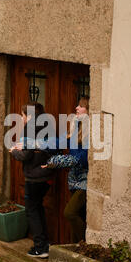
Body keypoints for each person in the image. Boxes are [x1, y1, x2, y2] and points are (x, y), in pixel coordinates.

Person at [9, 102, 54, 258]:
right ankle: (45, 244)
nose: (21, 119)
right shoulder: (48, 125)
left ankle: (40, 248)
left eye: (22, 115)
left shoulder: (29, 128)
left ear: (28, 116)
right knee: (38, 208)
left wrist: (14, 151)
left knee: (32, 211)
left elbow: (26, 155)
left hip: (34, 178)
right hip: (46, 176)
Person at [42, 97, 90, 243]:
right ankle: (77, 248)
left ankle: (86, 244)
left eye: (81, 106)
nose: (76, 108)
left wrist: (53, 161)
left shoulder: (91, 135)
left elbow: (79, 159)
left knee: (69, 213)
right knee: (80, 216)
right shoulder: (76, 129)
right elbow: (59, 142)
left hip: (85, 181)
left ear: (89, 111)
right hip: (73, 181)